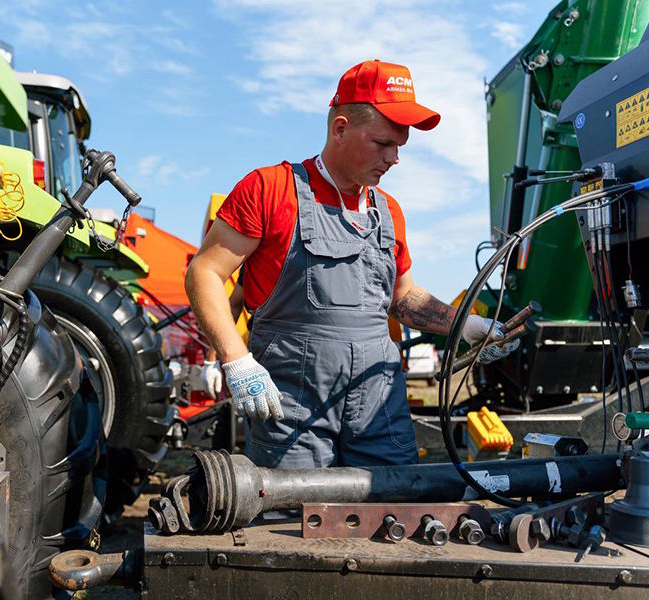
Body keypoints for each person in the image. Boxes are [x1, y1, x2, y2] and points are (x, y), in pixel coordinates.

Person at [185, 60, 518, 469]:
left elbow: (403, 296)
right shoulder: (271, 190)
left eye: (400, 146)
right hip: (292, 408)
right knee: (293, 521)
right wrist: (235, 360)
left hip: (378, 403)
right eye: (383, 143)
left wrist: (465, 324)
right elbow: (205, 272)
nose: (394, 158)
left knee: (394, 513)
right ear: (340, 129)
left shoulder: (389, 211)